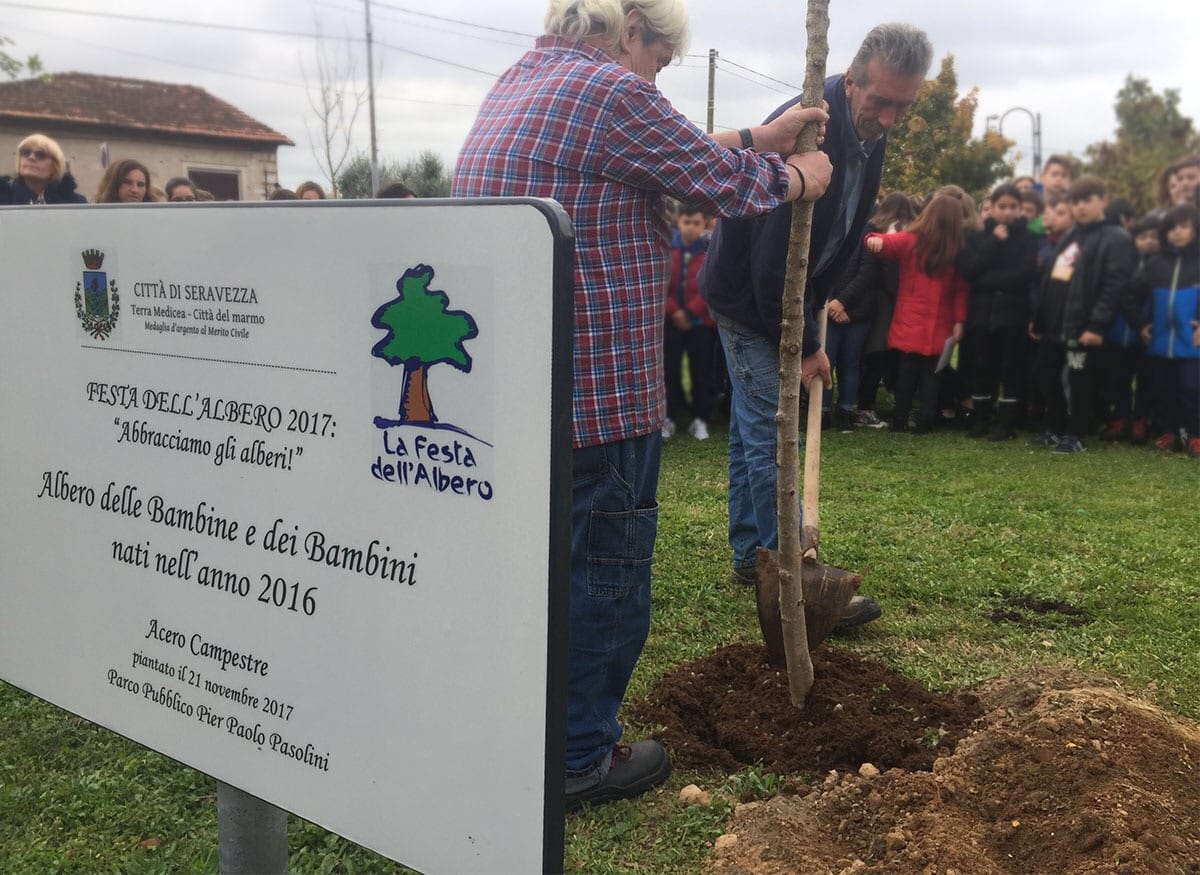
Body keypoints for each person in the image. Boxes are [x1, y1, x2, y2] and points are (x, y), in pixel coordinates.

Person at [452, 0, 833, 811]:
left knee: (537, 574)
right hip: (598, 392)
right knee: (607, 576)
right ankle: (581, 757)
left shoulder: (522, 82)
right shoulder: (611, 91)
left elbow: (673, 154)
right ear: (632, 32)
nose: (657, 77)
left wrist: (759, 136)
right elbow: (716, 181)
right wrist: (796, 175)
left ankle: (522, 734)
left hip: (519, 392)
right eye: (661, 61)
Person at [700, 23, 931, 602]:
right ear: (850, 82)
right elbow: (774, 260)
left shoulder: (870, 131)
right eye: (882, 101)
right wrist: (804, 344)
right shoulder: (807, 132)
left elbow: (849, 227)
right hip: (751, 299)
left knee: (751, 433)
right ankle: (793, 579)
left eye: (905, 104)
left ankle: (749, 557)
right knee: (772, 433)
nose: (891, 117)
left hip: (785, 297)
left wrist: (818, 305)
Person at [1027, 175, 1136, 453]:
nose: (1080, 206)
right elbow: (1053, 279)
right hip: (1055, 325)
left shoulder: (1117, 238)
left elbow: (1115, 286)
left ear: (1103, 201)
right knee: (1046, 374)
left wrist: (1097, 326)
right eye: (1075, 201)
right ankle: (1054, 427)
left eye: (1087, 200)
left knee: (1079, 381)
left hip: (1084, 327)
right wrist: (1039, 319)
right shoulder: (1072, 235)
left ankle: (1075, 435)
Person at [866, 194, 969, 434]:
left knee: (906, 374)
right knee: (932, 376)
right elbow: (961, 291)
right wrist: (959, 321)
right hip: (940, 323)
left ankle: (899, 420)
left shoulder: (912, 240)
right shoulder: (957, 250)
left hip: (908, 319)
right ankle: (925, 421)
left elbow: (881, 242)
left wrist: (874, 240)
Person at [959, 183, 1039, 440]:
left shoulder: (1028, 239)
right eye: (1001, 206)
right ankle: (980, 419)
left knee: (1010, 368)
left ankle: (1007, 423)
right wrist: (994, 243)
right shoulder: (977, 238)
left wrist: (989, 280)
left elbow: (1024, 275)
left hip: (1014, 315)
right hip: (982, 315)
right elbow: (970, 271)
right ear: (991, 208)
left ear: (1020, 209)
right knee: (983, 367)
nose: (1007, 212)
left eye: (1012, 207)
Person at [1136, 205, 1200, 455]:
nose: (1177, 232)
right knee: (1164, 389)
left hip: (1192, 342)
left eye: (1183, 226)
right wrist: (1141, 324)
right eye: (1172, 227)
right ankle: (1170, 432)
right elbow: (1134, 296)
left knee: (1193, 389)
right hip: (1161, 342)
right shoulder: (1154, 264)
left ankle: (1195, 435)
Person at [856, 192, 917, 427]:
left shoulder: (874, 228)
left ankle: (865, 405)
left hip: (877, 300)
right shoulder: (912, 231)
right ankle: (896, 401)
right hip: (900, 300)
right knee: (896, 356)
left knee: (874, 355)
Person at [662, 207, 716, 441]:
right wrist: (675, 312)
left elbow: (710, 285)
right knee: (669, 371)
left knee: (701, 373)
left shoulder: (709, 252)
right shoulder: (667, 250)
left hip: (701, 324)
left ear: (704, 224)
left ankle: (700, 419)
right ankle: (669, 417)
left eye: (696, 222)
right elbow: (661, 282)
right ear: (678, 222)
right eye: (687, 222)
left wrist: (691, 311)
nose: (691, 227)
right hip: (671, 323)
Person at [0, 134, 87, 204]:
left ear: (55, 166)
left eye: (40, 155)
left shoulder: (74, 203)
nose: (31, 157)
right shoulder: (3, 195)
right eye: (26, 152)